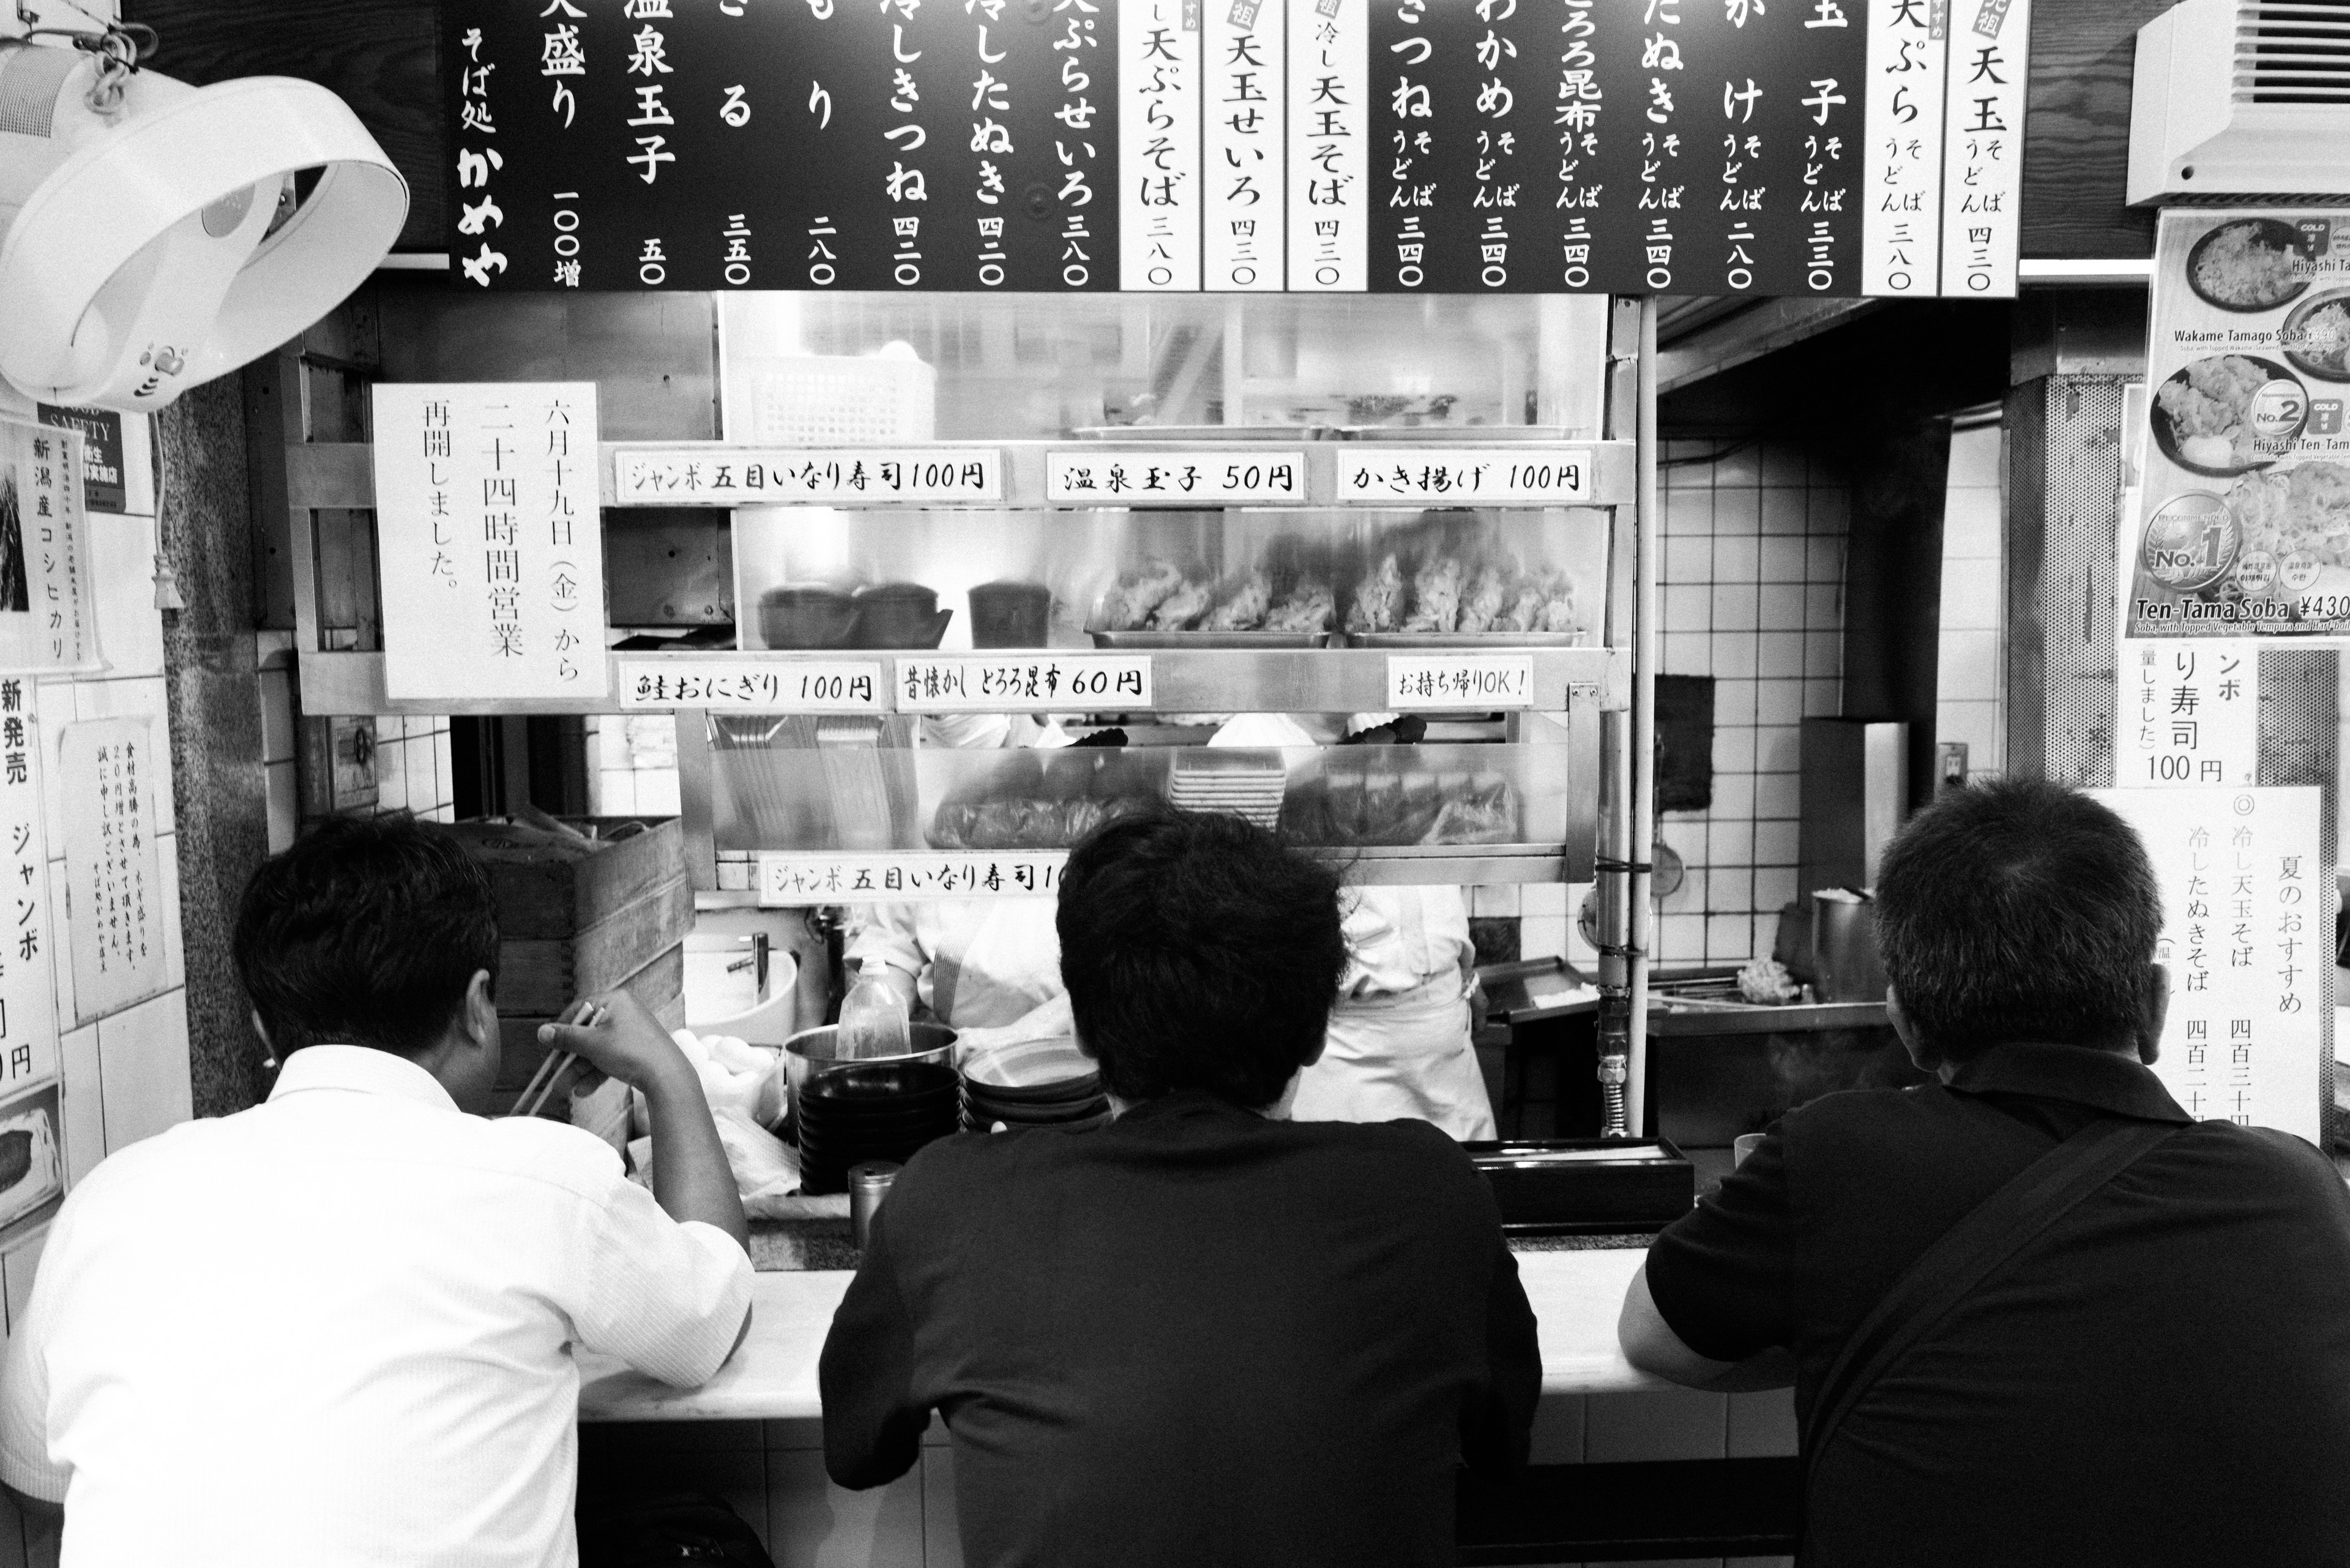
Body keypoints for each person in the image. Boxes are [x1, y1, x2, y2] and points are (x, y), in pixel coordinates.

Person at [1616, 777, 2350, 1567]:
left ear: (1907, 1023)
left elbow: (1652, 1335)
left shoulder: (1834, 1159)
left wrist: (1833, 1317)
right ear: (2157, 1000)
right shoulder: (2303, 1196)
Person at [0, 815, 755, 1568]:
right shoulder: (541, 1181)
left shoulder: (107, 1204)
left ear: (265, 1030)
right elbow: (710, 1317)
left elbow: (38, 1484)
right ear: (477, 1004)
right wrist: (667, 1073)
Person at [820, 808, 1540, 1568]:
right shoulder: (1431, 1193)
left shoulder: (951, 1202)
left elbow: (856, 1451)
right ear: (1315, 1032)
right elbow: (1503, 1444)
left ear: (1087, 1033)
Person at [851, 711, 1499, 1138]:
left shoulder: (1398, 767)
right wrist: (885, 992)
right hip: (1310, 1072)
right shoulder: (1244, 748)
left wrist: (1460, 980)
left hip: (1433, 1061)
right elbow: (1159, 968)